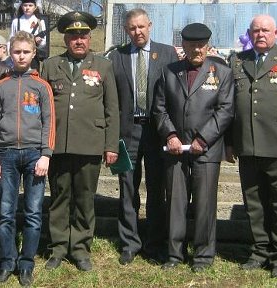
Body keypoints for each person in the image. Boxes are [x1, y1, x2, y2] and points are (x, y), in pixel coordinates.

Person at [42, 11, 119, 271]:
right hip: (59, 144)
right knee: (59, 197)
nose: (78, 40)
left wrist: (110, 146)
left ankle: (81, 249)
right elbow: (45, 107)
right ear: (65, 39)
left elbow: (112, 109)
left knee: (85, 199)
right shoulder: (51, 66)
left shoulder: (103, 66)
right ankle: (58, 247)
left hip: (90, 143)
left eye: (83, 36)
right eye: (73, 36)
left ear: (89, 38)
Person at [153, 23, 234, 271]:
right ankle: (175, 254)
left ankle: (203, 255)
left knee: (204, 203)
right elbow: (159, 108)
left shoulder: (222, 71)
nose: (196, 49)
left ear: (207, 46)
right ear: (184, 46)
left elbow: (226, 109)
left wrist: (203, 138)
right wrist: (170, 135)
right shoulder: (169, 71)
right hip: (176, 148)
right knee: (175, 202)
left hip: (206, 149)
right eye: (191, 45)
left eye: (200, 45)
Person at [108, 8, 178, 265]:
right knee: (127, 188)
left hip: (157, 131)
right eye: (132, 28)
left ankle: (155, 242)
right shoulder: (117, 56)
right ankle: (129, 243)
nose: (137, 32)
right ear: (126, 30)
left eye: (141, 27)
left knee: (157, 188)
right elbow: (111, 99)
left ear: (150, 26)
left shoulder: (168, 53)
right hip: (128, 132)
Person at [227, 14, 277, 278]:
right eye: (255, 30)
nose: (260, 34)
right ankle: (260, 250)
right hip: (247, 144)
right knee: (254, 202)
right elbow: (229, 105)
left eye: (265, 30)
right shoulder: (238, 61)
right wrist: (230, 142)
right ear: (249, 34)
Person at [0, 30, 55, 286]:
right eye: (16, 51)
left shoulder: (41, 86)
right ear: (10, 53)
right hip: (6, 155)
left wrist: (46, 155)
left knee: (33, 212)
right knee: (5, 212)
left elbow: (49, 122)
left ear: (34, 53)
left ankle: (26, 264)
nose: (20, 56)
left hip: (34, 156)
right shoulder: (2, 84)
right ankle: (7, 260)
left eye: (25, 52)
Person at [10, 0, 47, 71]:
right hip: (19, 55)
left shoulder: (40, 22)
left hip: (33, 56)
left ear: (35, 7)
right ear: (21, 6)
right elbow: (11, 40)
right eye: (25, 5)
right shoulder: (16, 22)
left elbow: (44, 42)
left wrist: (39, 42)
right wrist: (11, 57)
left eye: (30, 5)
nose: (27, 8)